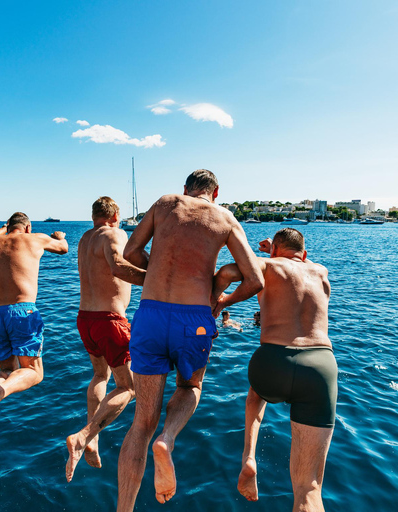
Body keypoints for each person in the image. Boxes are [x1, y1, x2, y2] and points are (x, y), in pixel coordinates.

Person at [116, 169, 264, 510]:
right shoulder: (225, 217)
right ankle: (167, 440)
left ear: (185, 189)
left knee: (141, 422)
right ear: (215, 193)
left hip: (150, 314)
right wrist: (221, 300)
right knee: (189, 388)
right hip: (193, 318)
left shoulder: (165, 203)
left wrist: (157, 269)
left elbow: (130, 252)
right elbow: (255, 279)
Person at [212, 228, 336, 511]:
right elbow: (300, 264)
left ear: (275, 250)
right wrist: (280, 252)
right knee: (308, 489)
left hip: (272, 360)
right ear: (304, 254)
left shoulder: (268, 264)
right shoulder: (321, 272)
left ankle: (249, 457)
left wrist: (221, 300)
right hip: (319, 367)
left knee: (256, 395)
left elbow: (230, 272)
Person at [65, 197, 146, 482]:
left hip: (85, 319)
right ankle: (84, 436)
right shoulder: (115, 233)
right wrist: (155, 279)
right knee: (129, 387)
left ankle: (92, 440)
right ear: (115, 215)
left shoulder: (85, 239)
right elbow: (118, 268)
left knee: (100, 375)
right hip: (110, 321)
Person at [0, 212, 68, 428]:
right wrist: (60, 235)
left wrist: (4, 227)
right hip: (22, 311)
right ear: (28, 227)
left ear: (9, 227)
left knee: (6, 371)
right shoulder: (35, 237)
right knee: (34, 373)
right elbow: (64, 249)